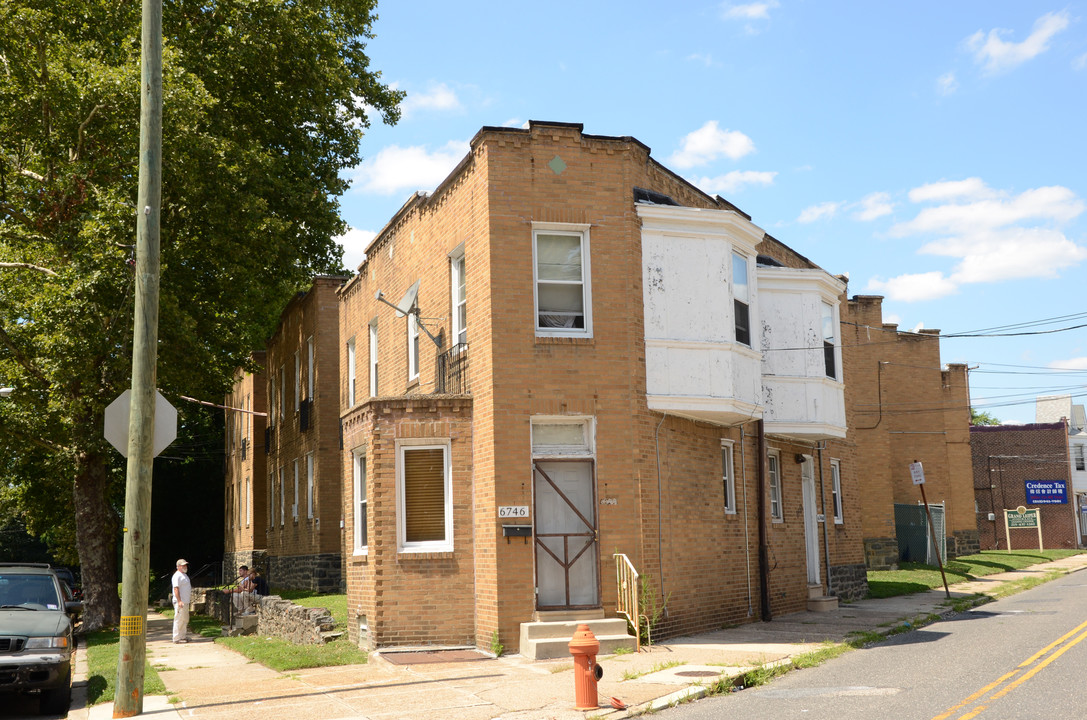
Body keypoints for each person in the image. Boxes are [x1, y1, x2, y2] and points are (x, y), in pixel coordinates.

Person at [171, 559, 192, 643]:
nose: (185, 567)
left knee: (185, 619)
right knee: (179, 619)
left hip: (185, 601)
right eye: (183, 565)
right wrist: (179, 601)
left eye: (185, 565)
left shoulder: (184, 575)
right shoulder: (177, 576)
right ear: (178, 566)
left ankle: (182, 636)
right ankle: (176, 638)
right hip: (180, 601)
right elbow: (176, 588)